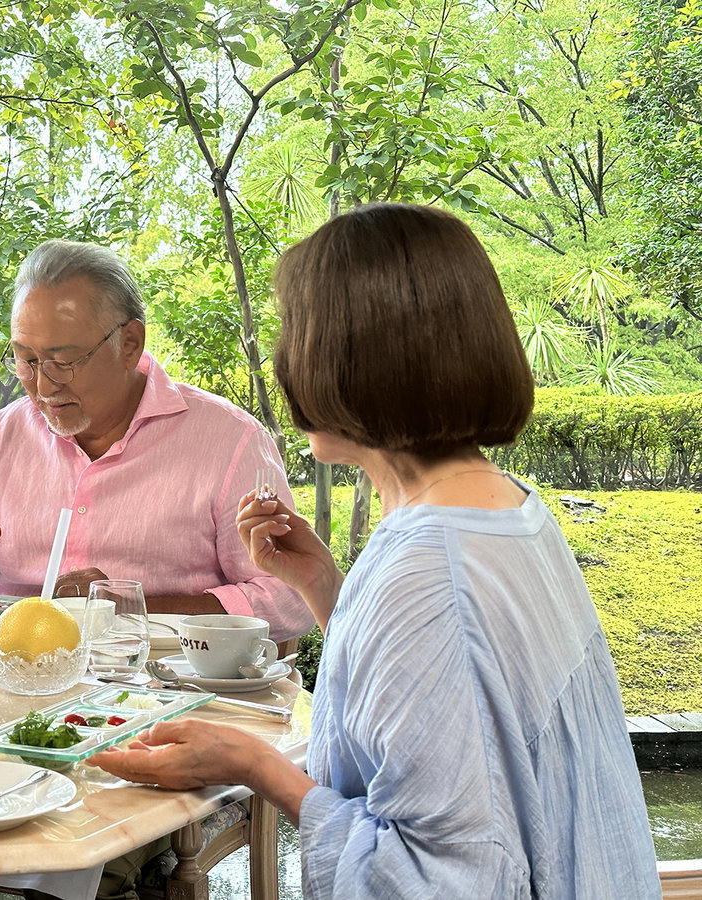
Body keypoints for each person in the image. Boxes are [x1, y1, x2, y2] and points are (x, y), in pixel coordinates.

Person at [88, 203, 661, 898]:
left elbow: (434, 876)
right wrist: (328, 590)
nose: (285, 362)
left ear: (353, 362)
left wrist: (256, 766)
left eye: (296, 334)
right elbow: (454, 722)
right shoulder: (504, 506)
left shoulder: (428, 573)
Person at [0, 238, 314, 641]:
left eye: (64, 361)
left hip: (167, 687)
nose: (43, 387)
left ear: (130, 343)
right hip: (20, 675)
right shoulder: (3, 436)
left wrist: (128, 609)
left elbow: (290, 600)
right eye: (26, 360)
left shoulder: (227, 439)